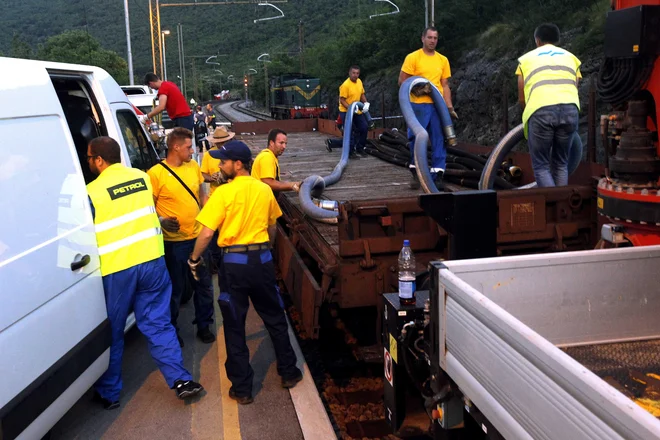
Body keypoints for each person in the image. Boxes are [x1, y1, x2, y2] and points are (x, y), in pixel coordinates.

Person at [86, 136, 203, 409]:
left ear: (99, 160)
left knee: (114, 332)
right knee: (158, 324)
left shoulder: (91, 192)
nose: (88, 161)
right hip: (152, 262)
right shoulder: (141, 178)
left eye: (90, 157)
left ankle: (109, 393)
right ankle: (181, 380)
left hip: (118, 269)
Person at [188, 140, 303, 404]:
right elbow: (273, 227)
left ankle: (242, 389)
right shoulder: (264, 190)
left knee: (234, 325)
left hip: (234, 265)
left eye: (223, 161)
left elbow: (206, 233)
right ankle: (288, 372)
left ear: (237, 164)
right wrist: (266, 254)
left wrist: (194, 259)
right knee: (274, 317)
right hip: (261, 260)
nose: (219, 165)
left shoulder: (223, 194)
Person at [147, 128, 215, 346]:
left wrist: (214, 216)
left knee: (203, 286)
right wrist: (161, 220)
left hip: (198, 240)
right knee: (175, 289)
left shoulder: (193, 166)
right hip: (174, 244)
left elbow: (201, 196)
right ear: (175, 147)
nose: (192, 150)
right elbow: (148, 207)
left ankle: (204, 325)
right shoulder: (155, 174)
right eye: (188, 147)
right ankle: (173, 330)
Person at [517, 23, 581, 187]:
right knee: (561, 164)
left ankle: (550, 207)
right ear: (557, 40)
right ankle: (560, 207)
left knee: (542, 166)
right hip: (570, 110)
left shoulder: (526, 59)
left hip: (541, 111)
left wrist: (529, 112)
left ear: (537, 40)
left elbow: (522, 95)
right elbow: (576, 83)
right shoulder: (571, 58)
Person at [398, 27, 457, 190]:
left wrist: (449, 106)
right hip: (418, 105)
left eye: (435, 38)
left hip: (437, 106)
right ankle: (417, 171)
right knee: (418, 137)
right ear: (422, 38)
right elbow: (402, 81)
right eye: (430, 37)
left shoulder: (442, 60)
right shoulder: (413, 58)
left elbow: (445, 85)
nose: (432, 41)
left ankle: (437, 174)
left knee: (439, 138)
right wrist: (417, 89)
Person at [201, 126, 235, 269]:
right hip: (215, 199)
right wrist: (212, 178)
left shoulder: (234, 153)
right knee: (214, 235)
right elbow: (203, 175)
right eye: (219, 143)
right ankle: (216, 263)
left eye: (224, 142)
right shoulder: (209, 155)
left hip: (232, 198)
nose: (221, 145)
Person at [333, 65, 370, 159]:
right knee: (350, 130)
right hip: (346, 111)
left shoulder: (359, 82)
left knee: (364, 127)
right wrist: (351, 108)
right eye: (353, 73)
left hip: (357, 110)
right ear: (349, 73)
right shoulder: (345, 85)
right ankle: (350, 152)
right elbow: (342, 100)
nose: (355, 75)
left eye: (357, 73)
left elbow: (361, 94)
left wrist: (365, 103)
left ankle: (360, 148)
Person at [251, 128, 302, 193]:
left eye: (285, 143)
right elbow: (268, 182)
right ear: (271, 143)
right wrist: (292, 185)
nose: (284, 146)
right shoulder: (267, 157)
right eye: (281, 143)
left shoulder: (271, 157)